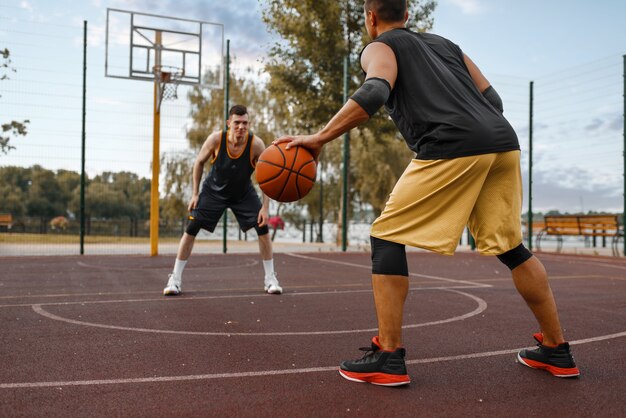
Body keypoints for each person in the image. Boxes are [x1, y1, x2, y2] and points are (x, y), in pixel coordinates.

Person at [275, 0, 579, 386]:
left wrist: (318, 138)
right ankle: (557, 349)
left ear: (371, 18)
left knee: (385, 235)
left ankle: (388, 355)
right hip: (502, 141)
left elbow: (374, 92)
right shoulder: (447, 46)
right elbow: (495, 101)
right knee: (511, 247)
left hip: (452, 144)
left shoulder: (380, 47)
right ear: (407, 15)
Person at [164, 104, 283, 296]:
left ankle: (270, 279)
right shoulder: (216, 139)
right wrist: (195, 194)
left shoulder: (256, 145)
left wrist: (265, 207)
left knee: (262, 228)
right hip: (213, 192)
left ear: (248, 124)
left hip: (243, 193)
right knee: (192, 227)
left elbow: (266, 177)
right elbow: (199, 162)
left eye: (245, 123)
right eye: (237, 123)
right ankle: (175, 279)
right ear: (229, 123)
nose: (241, 127)